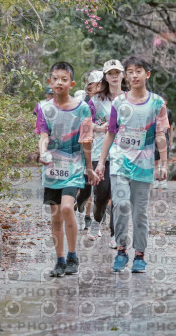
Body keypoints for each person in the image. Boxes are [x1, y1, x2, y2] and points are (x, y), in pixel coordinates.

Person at [95, 55, 169, 273]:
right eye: (130, 72)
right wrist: (101, 162)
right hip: (120, 161)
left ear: (147, 74)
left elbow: (161, 135)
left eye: (138, 71)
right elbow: (111, 133)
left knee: (140, 212)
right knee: (121, 205)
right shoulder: (119, 102)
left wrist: (164, 164)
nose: (134, 75)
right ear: (126, 76)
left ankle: (139, 255)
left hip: (144, 165)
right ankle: (121, 250)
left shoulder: (157, 103)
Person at [36, 62, 99, 277]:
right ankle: (60, 260)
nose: (59, 83)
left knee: (66, 208)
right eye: (55, 79)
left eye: (64, 79)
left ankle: (73, 255)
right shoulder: (44, 109)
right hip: (52, 169)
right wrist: (42, 152)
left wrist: (89, 168)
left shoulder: (82, 108)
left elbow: (86, 140)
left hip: (74, 167)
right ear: (49, 82)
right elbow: (43, 135)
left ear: (71, 83)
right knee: (55, 217)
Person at [86, 59, 126, 245]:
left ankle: (114, 235)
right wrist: (99, 128)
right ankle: (96, 220)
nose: (114, 76)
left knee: (118, 196)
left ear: (123, 75)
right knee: (102, 194)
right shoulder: (96, 100)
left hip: (123, 154)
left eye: (117, 72)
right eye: (110, 73)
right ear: (105, 77)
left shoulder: (129, 99)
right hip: (99, 153)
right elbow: (85, 124)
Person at [75, 69, 105, 231]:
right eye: (96, 85)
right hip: (84, 148)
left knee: (101, 188)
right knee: (86, 189)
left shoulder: (109, 102)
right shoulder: (82, 101)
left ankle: (93, 217)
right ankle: (80, 209)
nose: (99, 88)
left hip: (103, 150)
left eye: (101, 85)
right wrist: (99, 128)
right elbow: (82, 123)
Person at [153, 96, 173, 190]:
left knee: (164, 159)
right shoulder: (154, 110)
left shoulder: (169, 112)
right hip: (155, 137)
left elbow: (171, 127)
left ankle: (164, 180)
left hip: (165, 137)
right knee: (155, 160)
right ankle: (156, 179)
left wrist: (171, 139)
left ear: (166, 101)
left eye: (164, 100)